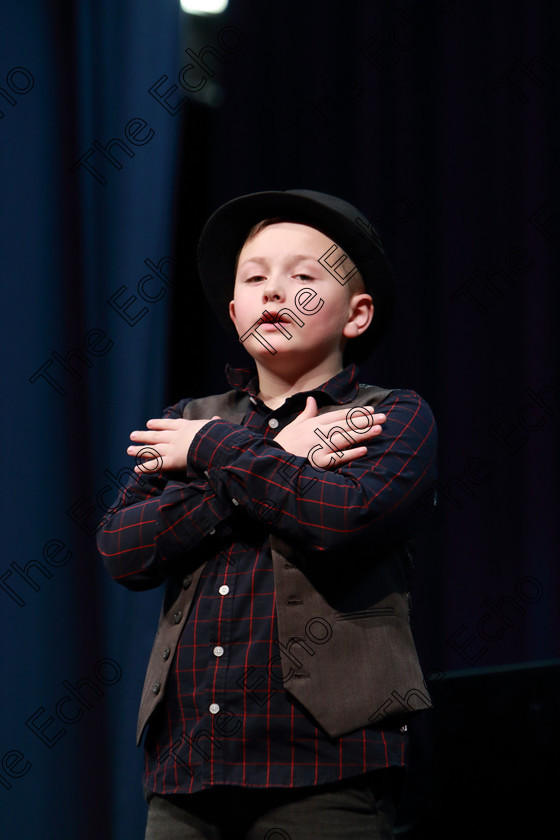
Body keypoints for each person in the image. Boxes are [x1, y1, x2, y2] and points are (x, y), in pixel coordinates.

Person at [97, 189, 438, 840]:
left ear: (356, 314)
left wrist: (215, 453)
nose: (274, 292)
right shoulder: (184, 423)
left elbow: (341, 519)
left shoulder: (389, 417)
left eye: (304, 277)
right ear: (233, 311)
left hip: (327, 766)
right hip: (187, 770)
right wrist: (260, 456)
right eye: (255, 279)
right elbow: (125, 549)